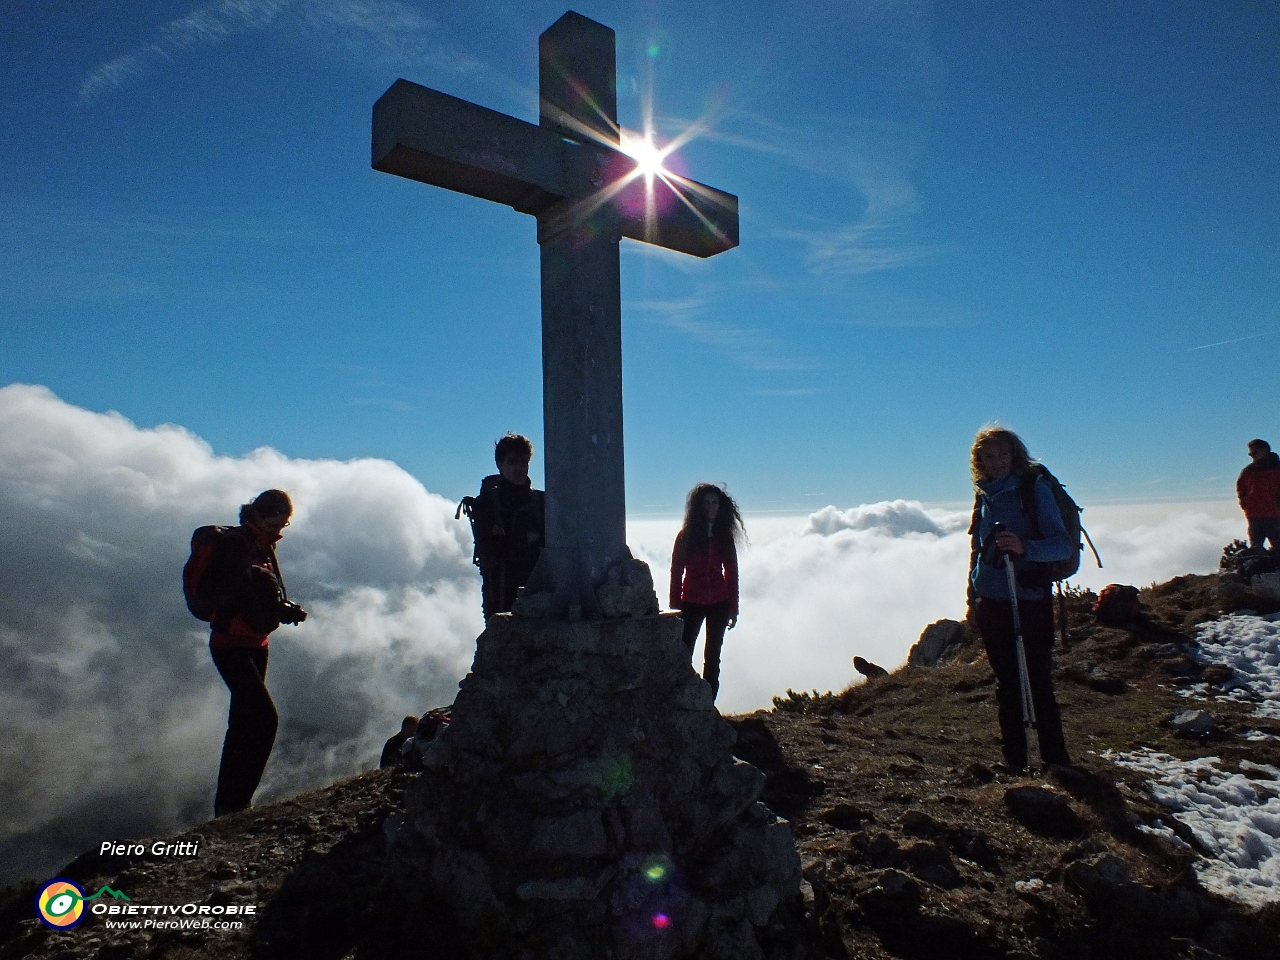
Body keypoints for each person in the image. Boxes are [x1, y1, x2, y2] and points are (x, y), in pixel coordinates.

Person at [967, 427, 1072, 771]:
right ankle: (1015, 760)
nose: (996, 462)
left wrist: (1026, 548)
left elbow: (1062, 544)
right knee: (1007, 683)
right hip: (992, 600)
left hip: (1027, 598)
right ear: (978, 461)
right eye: (989, 456)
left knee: (1036, 679)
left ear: (1014, 456)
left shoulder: (1032, 490)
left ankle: (1055, 760)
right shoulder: (984, 495)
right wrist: (973, 596)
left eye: (1003, 455)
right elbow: (979, 550)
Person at [205, 489, 307, 816]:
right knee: (264, 719)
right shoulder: (236, 546)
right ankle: (237, 805)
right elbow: (234, 592)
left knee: (242, 723)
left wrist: (282, 608)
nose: (282, 529)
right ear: (262, 515)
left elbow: (265, 593)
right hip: (230, 645)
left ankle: (227, 807)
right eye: (279, 522)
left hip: (256, 644)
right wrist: (271, 602)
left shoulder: (263, 544)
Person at [669, 484, 744, 701]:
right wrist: (675, 604)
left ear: (721, 507)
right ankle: (680, 698)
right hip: (691, 602)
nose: (711, 507)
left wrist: (733, 607)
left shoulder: (724, 537)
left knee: (713, 657)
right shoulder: (686, 536)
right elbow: (676, 570)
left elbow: (732, 573)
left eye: (715, 503)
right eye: (706, 503)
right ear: (698, 507)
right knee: (684, 652)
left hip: (719, 602)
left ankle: (708, 704)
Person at [466, 434, 546, 621]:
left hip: (539, 598)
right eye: (512, 462)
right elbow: (492, 549)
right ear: (500, 464)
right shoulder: (486, 504)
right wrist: (528, 539)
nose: (519, 468)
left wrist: (510, 538)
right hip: (501, 598)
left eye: (524, 462)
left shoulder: (542, 502)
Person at [1236, 439, 1280, 552]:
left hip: (1275, 516)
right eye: (1250, 454)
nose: (1252, 456)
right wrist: (1244, 502)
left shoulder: (1277, 469)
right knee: (1256, 551)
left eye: (1254, 453)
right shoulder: (1248, 471)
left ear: (1265, 451)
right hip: (1254, 517)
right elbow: (1241, 488)